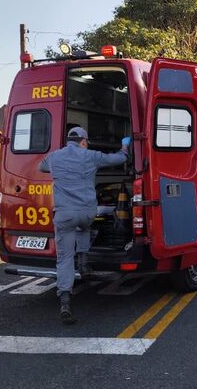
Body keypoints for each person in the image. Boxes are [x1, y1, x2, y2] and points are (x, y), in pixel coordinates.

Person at [39, 125, 131, 324]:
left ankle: (65, 301)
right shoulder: (91, 156)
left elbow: (41, 167)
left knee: (64, 258)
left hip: (64, 214)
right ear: (83, 141)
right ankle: (83, 259)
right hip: (87, 212)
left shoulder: (55, 157)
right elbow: (118, 159)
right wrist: (125, 148)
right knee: (85, 226)